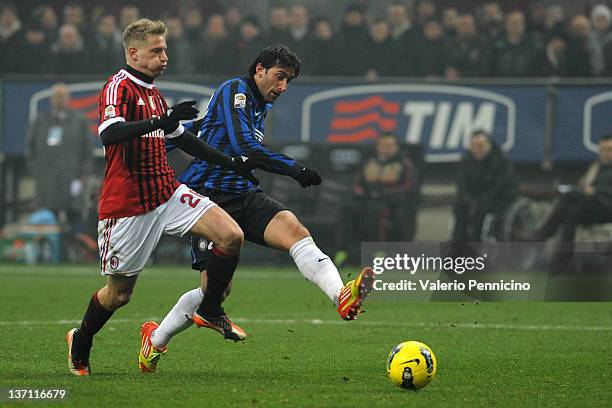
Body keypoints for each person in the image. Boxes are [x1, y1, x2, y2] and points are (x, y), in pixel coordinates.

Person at [138, 44, 374, 373]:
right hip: (208, 199)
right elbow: (245, 146)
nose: (283, 87)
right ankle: (156, 339)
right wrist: (296, 170)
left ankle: (341, 297)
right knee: (215, 291)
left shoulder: (258, 105)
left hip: (243, 193)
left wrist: (169, 137)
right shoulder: (235, 90)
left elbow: (203, 129)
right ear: (259, 70)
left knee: (295, 230)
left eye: (289, 80)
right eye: (279, 77)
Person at [65, 18, 268, 376]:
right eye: (156, 50)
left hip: (167, 192)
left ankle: (210, 309)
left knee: (231, 236)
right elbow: (110, 134)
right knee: (119, 294)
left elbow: (183, 139)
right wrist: (160, 122)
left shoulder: (155, 94)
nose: (164, 56)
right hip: (128, 206)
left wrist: (231, 162)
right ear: (134, 52)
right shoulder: (118, 87)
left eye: (165, 49)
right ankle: (80, 341)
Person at [523, 135, 612, 272]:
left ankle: (542, 234)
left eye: (609, 150)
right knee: (571, 211)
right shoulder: (597, 166)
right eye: (602, 150)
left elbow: (598, 190)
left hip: (607, 206)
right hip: (593, 206)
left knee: (569, 196)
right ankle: (564, 259)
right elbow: (584, 184)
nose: (605, 154)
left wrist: (596, 190)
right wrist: (583, 187)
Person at [336, 133, 416, 264]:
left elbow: (408, 187)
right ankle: (342, 250)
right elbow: (357, 183)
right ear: (377, 147)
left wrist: (385, 193)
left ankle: (379, 251)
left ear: (396, 147)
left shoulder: (404, 164)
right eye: (383, 146)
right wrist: (362, 193)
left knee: (375, 211)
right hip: (366, 199)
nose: (386, 149)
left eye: (390, 146)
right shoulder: (369, 162)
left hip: (389, 202)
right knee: (347, 209)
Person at [27, 83, 93, 232]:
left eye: (62, 97)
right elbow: (31, 148)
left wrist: (84, 175)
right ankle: (52, 251)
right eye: (56, 97)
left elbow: (87, 150)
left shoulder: (79, 120)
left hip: (73, 177)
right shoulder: (41, 120)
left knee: (75, 213)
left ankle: (76, 249)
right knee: (48, 214)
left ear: (68, 99)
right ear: (51, 99)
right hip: (47, 178)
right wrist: (37, 172)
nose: (59, 100)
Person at [451, 130, 518, 242]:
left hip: (497, 198)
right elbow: (461, 185)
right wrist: (469, 199)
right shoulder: (466, 160)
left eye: (480, 146)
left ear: (488, 145)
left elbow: (501, 186)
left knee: (481, 209)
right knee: (460, 207)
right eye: (474, 146)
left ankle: (477, 242)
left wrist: (482, 200)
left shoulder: (501, 160)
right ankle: (458, 243)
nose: (477, 149)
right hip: (474, 197)